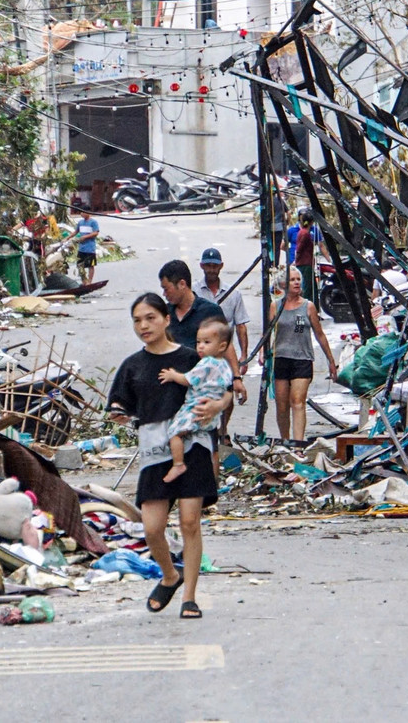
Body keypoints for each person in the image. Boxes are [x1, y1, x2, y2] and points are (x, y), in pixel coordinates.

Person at [107, 293, 232, 619]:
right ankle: (169, 575)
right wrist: (119, 415)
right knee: (151, 528)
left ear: (165, 319)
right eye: (137, 320)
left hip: (194, 446)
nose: (144, 325)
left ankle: (189, 596)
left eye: (150, 317)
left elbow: (226, 387)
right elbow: (119, 405)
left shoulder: (194, 358)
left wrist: (219, 405)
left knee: (190, 522)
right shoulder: (132, 366)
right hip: (153, 451)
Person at [261, 266, 337, 440]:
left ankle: (298, 443)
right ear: (282, 284)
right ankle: (285, 440)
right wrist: (262, 352)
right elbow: (267, 333)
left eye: (298, 279)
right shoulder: (275, 306)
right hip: (280, 359)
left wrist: (330, 361)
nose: (296, 282)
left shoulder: (308, 306)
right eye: (292, 280)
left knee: (297, 401)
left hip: (302, 359)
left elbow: (320, 335)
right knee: (282, 405)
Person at [158, 319, 234, 482]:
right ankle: (211, 481)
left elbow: (188, 379)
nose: (200, 346)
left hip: (195, 408)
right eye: (198, 342)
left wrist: (172, 375)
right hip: (211, 416)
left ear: (221, 346)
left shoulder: (207, 363)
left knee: (174, 433)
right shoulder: (225, 366)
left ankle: (178, 464)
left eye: (206, 342)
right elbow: (228, 388)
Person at [162, 258, 246, 405]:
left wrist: (236, 378)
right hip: (172, 387)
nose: (164, 294)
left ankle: (222, 429)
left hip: (205, 389)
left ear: (182, 284)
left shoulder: (209, 311)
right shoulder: (165, 313)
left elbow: (226, 345)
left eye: (167, 289)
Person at [195, 248, 251, 438]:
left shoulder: (233, 294)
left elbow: (241, 325)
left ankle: (223, 430)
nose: (211, 269)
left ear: (221, 266)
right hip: (201, 354)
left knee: (228, 395)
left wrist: (243, 356)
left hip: (225, 354)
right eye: (208, 265)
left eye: (215, 265)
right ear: (202, 266)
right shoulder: (194, 292)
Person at [294, 208, 319, 303]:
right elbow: (299, 249)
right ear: (311, 222)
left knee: (312, 287)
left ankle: (314, 308)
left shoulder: (302, 232)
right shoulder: (305, 234)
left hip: (305, 263)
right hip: (305, 264)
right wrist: (296, 261)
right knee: (308, 288)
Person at [74, 209, 100, 285]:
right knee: (80, 265)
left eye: (83, 212)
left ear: (88, 212)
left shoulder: (93, 222)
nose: (81, 214)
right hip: (81, 248)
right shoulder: (80, 222)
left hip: (90, 248)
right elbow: (76, 232)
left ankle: (89, 281)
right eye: (80, 212)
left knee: (91, 265)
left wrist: (85, 237)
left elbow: (96, 233)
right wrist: (68, 238)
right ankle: (84, 281)